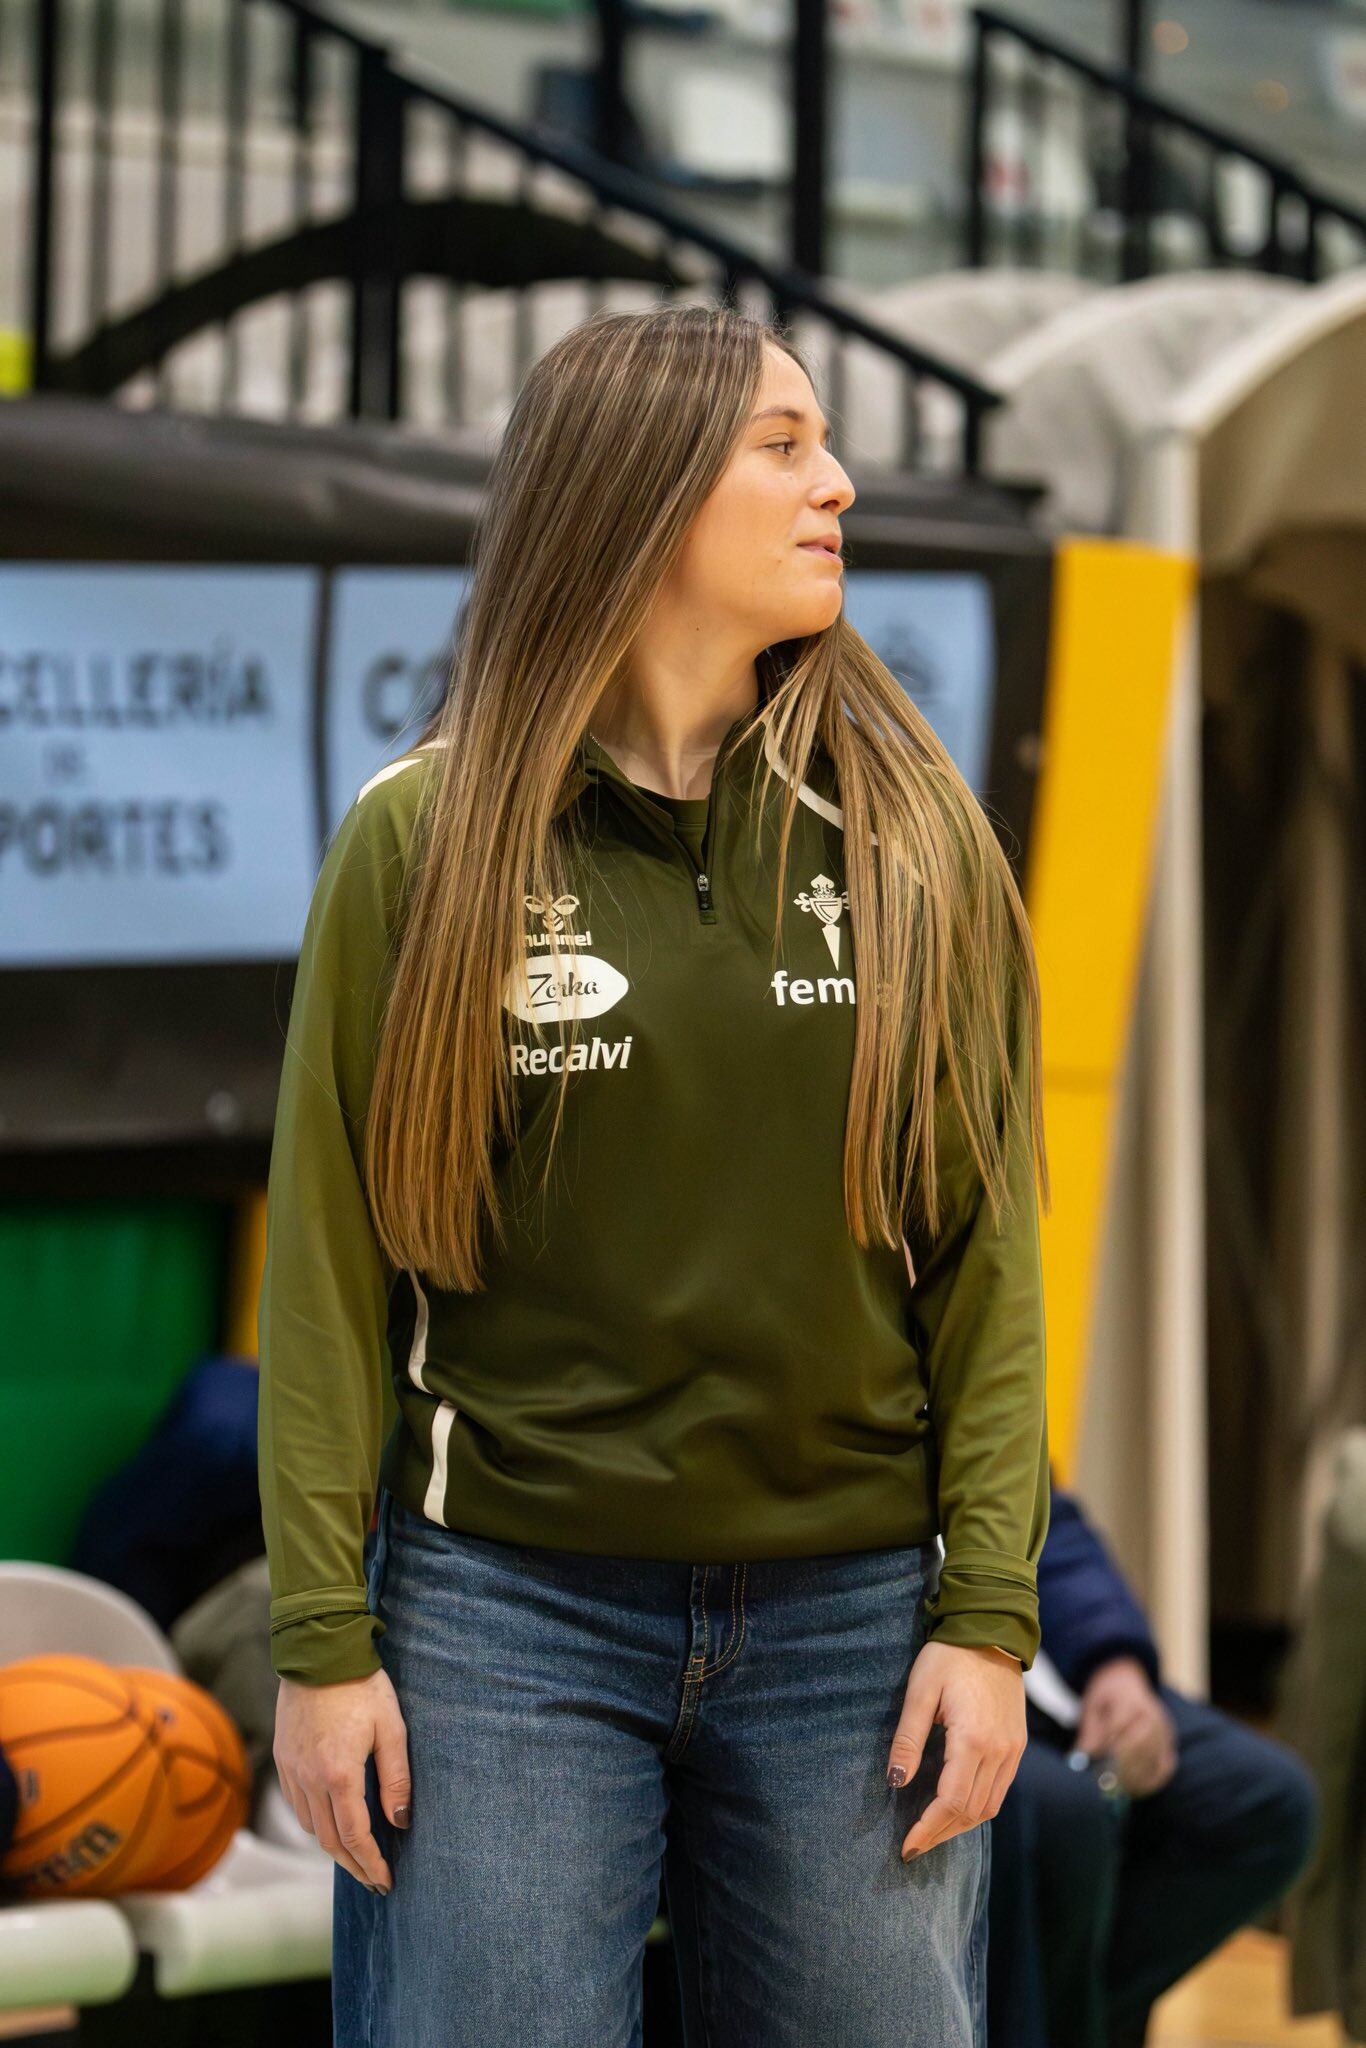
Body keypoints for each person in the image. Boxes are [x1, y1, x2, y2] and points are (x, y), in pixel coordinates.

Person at [258, 301, 1054, 2047]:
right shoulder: (424, 837)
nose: (836, 480)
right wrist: (323, 1640)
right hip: (502, 1614)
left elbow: (992, 1264)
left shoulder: (918, 845)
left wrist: (992, 1616)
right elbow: (324, 1272)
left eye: (822, 440)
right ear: (636, 491)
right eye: (782, 444)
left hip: (858, 1612)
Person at [986, 1476, 1320, 2048]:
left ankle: (1067, 2023)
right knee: (1072, 1813)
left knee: (1267, 1798)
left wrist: (1114, 1659)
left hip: (1058, 1674)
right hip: (936, 1689)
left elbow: (1051, 1524)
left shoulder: (986, 1397)